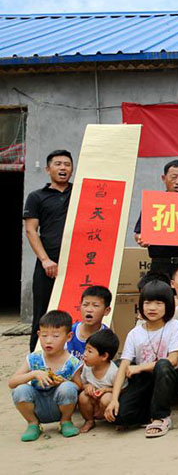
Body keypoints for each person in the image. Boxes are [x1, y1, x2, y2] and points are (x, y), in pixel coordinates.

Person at [105, 280, 178, 438]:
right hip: (144, 381)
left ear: (168, 306)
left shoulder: (175, 326)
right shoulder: (135, 333)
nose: (152, 308)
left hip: (170, 379)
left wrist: (139, 367)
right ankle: (148, 413)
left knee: (163, 365)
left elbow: (173, 360)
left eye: (159, 303)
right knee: (121, 418)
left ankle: (161, 417)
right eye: (148, 303)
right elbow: (124, 366)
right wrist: (114, 399)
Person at [23, 149, 73, 352]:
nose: (63, 168)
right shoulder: (36, 197)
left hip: (76, 263)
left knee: (74, 310)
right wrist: (45, 260)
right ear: (47, 169)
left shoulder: (80, 193)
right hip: (48, 266)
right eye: (58, 164)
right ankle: (35, 360)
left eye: (67, 164)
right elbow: (31, 230)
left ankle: (74, 358)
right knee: (43, 313)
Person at [9, 310, 82, 441]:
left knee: (68, 387)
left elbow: (79, 386)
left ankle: (65, 421)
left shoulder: (72, 362)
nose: (48, 341)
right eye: (44, 335)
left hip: (60, 404)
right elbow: (12, 382)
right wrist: (34, 374)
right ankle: (33, 423)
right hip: (38, 405)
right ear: (38, 335)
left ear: (69, 336)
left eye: (55, 336)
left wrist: (63, 381)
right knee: (20, 390)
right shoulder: (33, 358)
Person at [134, 160, 178, 277]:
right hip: (161, 263)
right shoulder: (154, 204)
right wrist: (141, 238)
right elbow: (139, 233)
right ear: (164, 178)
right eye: (173, 177)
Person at [78, 329, 124, 433]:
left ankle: (113, 419)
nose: (85, 354)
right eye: (85, 349)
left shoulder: (113, 372)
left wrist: (107, 390)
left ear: (104, 356)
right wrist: (87, 387)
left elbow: (123, 389)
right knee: (82, 397)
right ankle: (89, 420)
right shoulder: (87, 367)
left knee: (107, 398)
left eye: (90, 351)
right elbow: (82, 384)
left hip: (106, 401)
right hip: (93, 401)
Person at [66, 285, 112, 360]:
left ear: (107, 311)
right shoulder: (69, 331)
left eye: (95, 305)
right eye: (85, 305)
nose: (89, 309)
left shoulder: (107, 338)